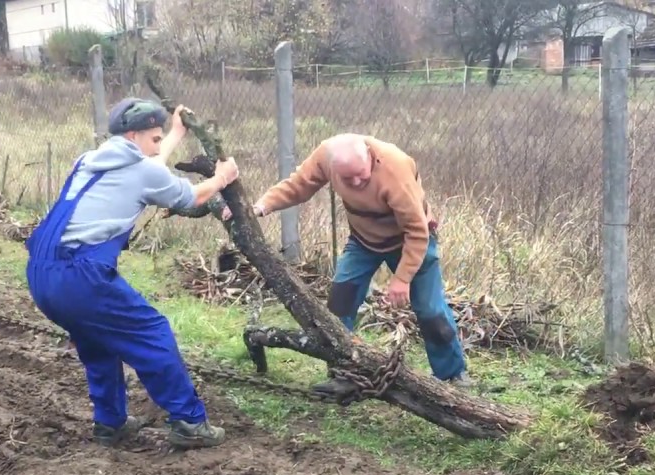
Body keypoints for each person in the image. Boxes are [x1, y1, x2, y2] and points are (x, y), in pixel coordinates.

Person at [26, 98, 240, 449]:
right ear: (133, 134)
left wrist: (174, 134)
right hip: (80, 277)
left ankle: (110, 423)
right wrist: (221, 178)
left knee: (96, 341)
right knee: (152, 332)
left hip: (41, 272)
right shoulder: (143, 171)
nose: (159, 145)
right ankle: (188, 422)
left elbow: (147, 166)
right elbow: (189, 197)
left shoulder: (89, 161)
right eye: (154, 138)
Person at [244, 133, 469, 396]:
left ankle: (452, 376)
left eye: (360, 175)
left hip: (410, 240)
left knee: (431, 312)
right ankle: (345, 373)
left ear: (370, 158)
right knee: (340, 304)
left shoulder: (395, 169)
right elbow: (298, 185)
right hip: (364, 240)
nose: (355, 183)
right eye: (346, 179)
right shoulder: (327, 154)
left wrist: (403, 278)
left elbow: (417, 232)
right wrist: (261, 206)